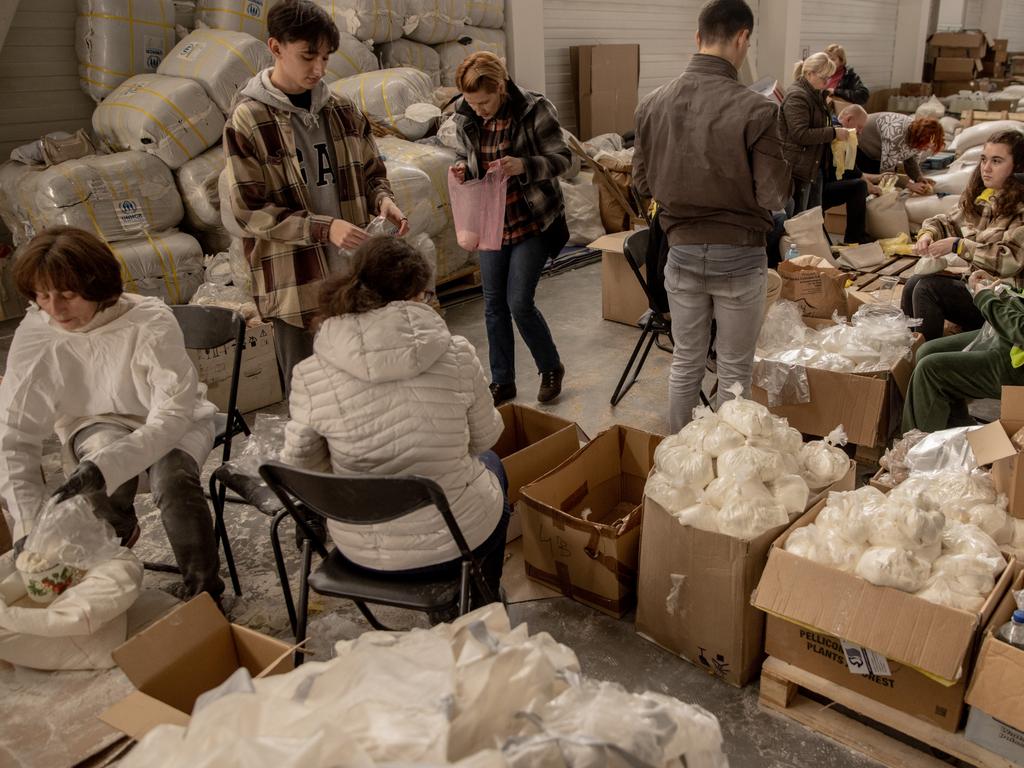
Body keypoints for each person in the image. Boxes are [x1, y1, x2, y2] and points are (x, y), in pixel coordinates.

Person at [280, 236, 509, 609]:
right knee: (493, 468)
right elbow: (486, 438)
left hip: (360, 551)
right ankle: (481, 601)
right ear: (418, 295)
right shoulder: (457, 353)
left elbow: (304, 467)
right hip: (455, 542)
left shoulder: (310, 373)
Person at [0, 227, 223, 599]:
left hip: (170, 420)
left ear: (97, 286)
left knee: (173, 479)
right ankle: (118, 525)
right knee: (100, 449)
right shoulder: (37, 334)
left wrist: (107, 468)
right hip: (95, 422)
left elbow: (172, 412)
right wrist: (26, 531)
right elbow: (13, 435)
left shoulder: (148, 319)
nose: (55, 309)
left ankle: (204, 589)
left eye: (68, 295)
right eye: (43, 296)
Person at [223, 0, 408, 397]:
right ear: (275, 47)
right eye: (308, 56)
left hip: (355, 283)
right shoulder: (249, 119)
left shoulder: (342, 110)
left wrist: (382, 201)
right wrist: (325, 229)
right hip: (295, 287)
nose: (319, 69)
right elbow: (248, 212)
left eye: (325, 57)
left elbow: (373, 173)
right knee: (311, 399)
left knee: (369, 390)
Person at [633, 0, 789, 432]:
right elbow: (774, 194)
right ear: (743, 38)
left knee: (686, 363)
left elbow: (642, 185)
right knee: (734, 372)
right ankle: (725, 475)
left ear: (697, 37)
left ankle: (678, 459)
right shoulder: (759, 109)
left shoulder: (651, 104)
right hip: (739, 257)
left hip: (679, 253)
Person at [449, 51, 571, 407]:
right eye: (472, 103)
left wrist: (524, 165)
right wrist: (462, 168)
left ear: (501, 87)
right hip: (490, 224)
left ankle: (550, 367)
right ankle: (502, 381)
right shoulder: (466, 114)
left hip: (531, 220)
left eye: (485, 102)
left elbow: (566, 160)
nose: (479, 110)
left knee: (518, 302)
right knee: (493, 305)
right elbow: (466, 156)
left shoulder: (534, 110)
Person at [902, 131, 1024, 341]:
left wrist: (959, 246)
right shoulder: (986, 198)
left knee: (927, 289)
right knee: (914, 282)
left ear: (1018, 167)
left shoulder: (1020, 210)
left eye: (997, 161)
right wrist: (928, 234)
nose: (986, 168)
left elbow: (1009, 260)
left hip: (1009, 306)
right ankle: (909, 350)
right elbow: (949, 221)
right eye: (984, 159)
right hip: (981, 290)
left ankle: (928, 356)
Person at [902, 272, 1024, 433]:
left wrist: (985, 298)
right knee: (927, 350)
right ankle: (955, 430)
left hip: (1017, 360)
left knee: (930, 370)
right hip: (1011, 341)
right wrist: (1002, 288)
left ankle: (916, 449)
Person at [780, 52, 853, 213]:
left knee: (812, 217)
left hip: (813, 165)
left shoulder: (816, 95)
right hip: (798, 167)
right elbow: (800, 134)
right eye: (824, 78)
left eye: (830, 78)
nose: (828, 83)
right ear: (809, 73)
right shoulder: (797, 97)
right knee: (801, 219)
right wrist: (833, 133)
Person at [838, 107, 943, 195]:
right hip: (862, 146)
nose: (926, 149)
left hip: (878, 151)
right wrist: (910, 185)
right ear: (919, 138)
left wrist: (919, 178)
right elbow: (886, 172)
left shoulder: (919, 139)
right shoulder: (895, 135)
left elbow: (911, 160)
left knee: (883, 186)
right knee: (868, 188)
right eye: (925, 146)